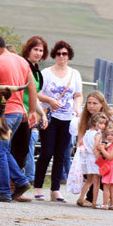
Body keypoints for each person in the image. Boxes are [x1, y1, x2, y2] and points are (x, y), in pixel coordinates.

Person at [0, 34, 38, 202]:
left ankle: (5, 191)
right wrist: (32, 110)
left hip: (3, 112)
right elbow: (32, 87)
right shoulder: (22, 61)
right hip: (18, 112)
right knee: (4, 150)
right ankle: (20, 182)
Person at [33, 40, 82, 202]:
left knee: (62, 155)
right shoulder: (46, 73)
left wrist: (77, 107)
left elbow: (78, 95)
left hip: (67, 118)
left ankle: (55, 189)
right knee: (46, 152)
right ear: (55, 55)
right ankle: (38, 186)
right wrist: (50, 100)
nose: (62, 56)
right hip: (50, 116)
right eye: (59, 53)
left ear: (69, 56)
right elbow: (36, 92)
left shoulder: (74, 74)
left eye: (65, 54)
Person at [18, 36, 49, 188]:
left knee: (24, 150)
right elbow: (18, 91)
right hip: (18, 113)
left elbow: (33, 95)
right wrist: (23, 109)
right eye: (35, 49)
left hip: (29, 115)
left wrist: (42, 114)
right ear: (28, 50)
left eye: (41, 50)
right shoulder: (23, 66)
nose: (38, 53)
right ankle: (12, 185)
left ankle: (19, 183)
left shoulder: (36, 71)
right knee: (17, 151)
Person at [76, 112, 107, 208]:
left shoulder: (87, 132)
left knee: (89, 180)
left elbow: (81, 143)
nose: (103, 126)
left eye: (104, 123)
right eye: (101, 123)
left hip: (87, 158)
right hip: (94, 158)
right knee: (96, 182)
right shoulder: (98, 134)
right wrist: (100, 160)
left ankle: (81, 198)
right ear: (96, 123)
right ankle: (94, 202)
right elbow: (95, 148)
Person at [96, 123, 113, 211]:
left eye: (112, 135)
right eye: (108, 135)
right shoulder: (112, 144)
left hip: (112, 168)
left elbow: (109, 156)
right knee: (111, 187)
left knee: (106, 187)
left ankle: (105, 204)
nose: (109, 137)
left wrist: (102, 149)